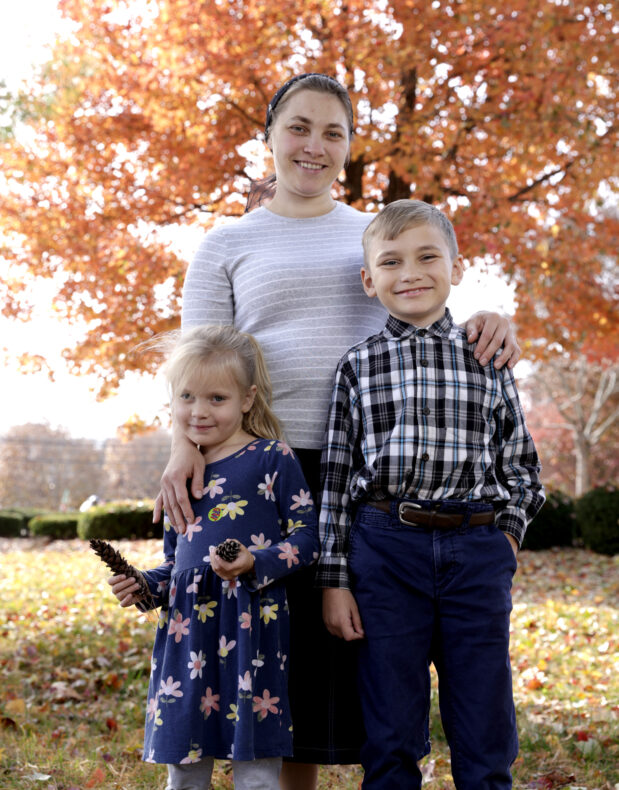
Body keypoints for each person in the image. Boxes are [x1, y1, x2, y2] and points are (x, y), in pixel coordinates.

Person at [155, 73, 523, 790]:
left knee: (336, 675)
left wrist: (494, 317)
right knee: (272, 657)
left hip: (360, 477)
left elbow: (425, 302)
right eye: (298, 127)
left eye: (333, 133)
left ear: (348, 149)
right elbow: (192, 363)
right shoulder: (226, 242)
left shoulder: (371, 234)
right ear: (268, 136)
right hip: (259, 471)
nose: (313, 146)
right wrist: (182, 445)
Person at [317, 199, 545, 789]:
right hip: (386, 551)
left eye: (426, 256)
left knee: (484, 720)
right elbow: (339, 481)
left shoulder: (488, 357)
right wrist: (335, 580)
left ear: (456, 267)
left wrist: (506, 539)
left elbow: (521, 463)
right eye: (390, 262)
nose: (410, 272)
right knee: (390, 725)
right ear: (370, 281)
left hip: (475, 549)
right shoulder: (358, 366)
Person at [108, 325, 320, 790]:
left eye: (216, 399)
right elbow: (175, 563)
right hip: (189, 639)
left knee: (258, 772)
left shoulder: (272, 458)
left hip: (254, 629)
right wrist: (145, 585)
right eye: (186, 396)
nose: (199, 411)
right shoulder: (181, 474)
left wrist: (255, 562)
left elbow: (308, 537)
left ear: (247, 399)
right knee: (184, 771)